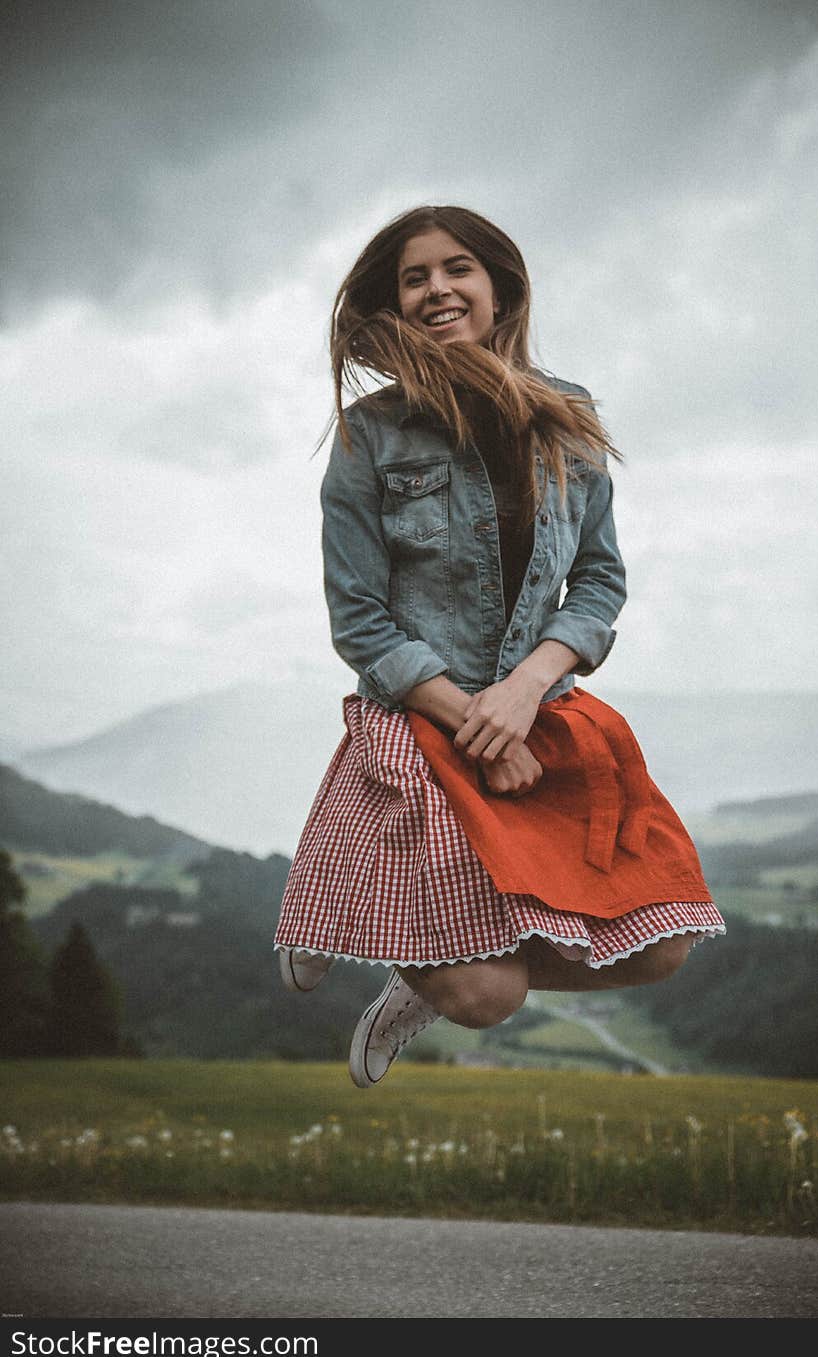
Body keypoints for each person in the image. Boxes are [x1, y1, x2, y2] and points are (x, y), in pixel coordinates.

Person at [274, 204, 724, 1087]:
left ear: (498, 286)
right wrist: (477, 720)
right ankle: (419, 965)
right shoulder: (371, 434)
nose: (438, 288)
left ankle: (410, 953)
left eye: (457, 268)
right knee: (489, 997)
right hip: (421, 714)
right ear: (396, 304)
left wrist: (525, 692)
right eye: (415, 277)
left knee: (662, 944)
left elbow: (598, 581)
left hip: (540, 711)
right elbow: (359, 618)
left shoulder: (569, 415)